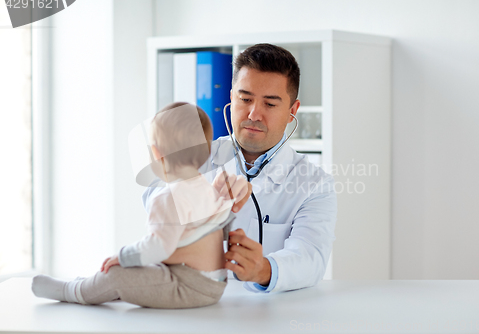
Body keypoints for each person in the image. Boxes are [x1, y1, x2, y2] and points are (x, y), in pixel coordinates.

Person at [31, 102, 251, 308]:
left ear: (156, 154)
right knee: (142, 270)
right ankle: (94, 285)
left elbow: (158, 247)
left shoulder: (168, 198)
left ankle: (73, 291)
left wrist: (123, 257)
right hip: (214, 284)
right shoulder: (207, 188)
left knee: (117, 275)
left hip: (189, 286)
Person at [201, 43, 338, 293]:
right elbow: (155, 207)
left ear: (291, 111)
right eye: (245, 99)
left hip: (271, 316)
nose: (254, 114)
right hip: (196, 308)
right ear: (231, 97)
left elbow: (311, 258)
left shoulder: (315, 185)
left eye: (270, 104)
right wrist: (197, 203)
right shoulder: (197, 158)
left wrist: (263, 269)